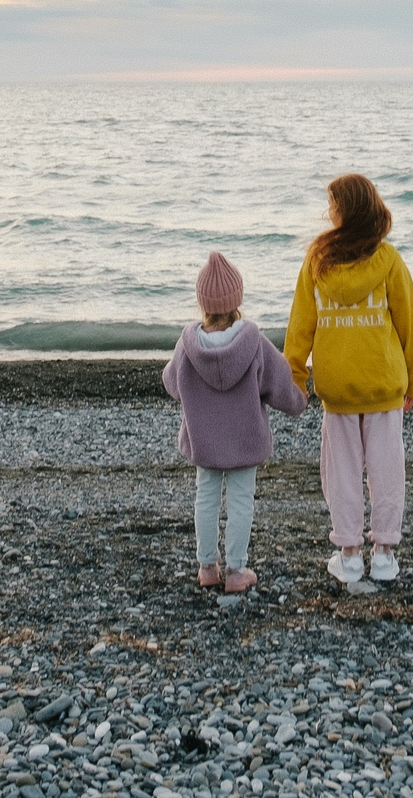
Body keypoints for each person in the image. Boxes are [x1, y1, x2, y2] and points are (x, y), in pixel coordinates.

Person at [285, 173, 413, 585]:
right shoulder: (389, 261)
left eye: (334, 205)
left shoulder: (317, 261)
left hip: (337, 388)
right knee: (387, 471)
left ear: (344, 211)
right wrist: (412, 381)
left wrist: (294, 377)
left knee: (341, 474)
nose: (330, 212)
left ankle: (348, 555)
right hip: (383, 385)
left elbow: (300, 328)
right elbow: (409, 327)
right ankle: (383, 554)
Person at [162, 251, 305, 593]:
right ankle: (236, 570)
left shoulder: (187, 345)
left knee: (206, 499)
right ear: (237, 299)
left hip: (204, 442)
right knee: (241, 501)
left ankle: (207, 567)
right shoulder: (253, 341)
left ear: (203, 303)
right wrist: (299, 401)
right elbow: (280, 383)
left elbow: (171, 383)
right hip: (245, 441)